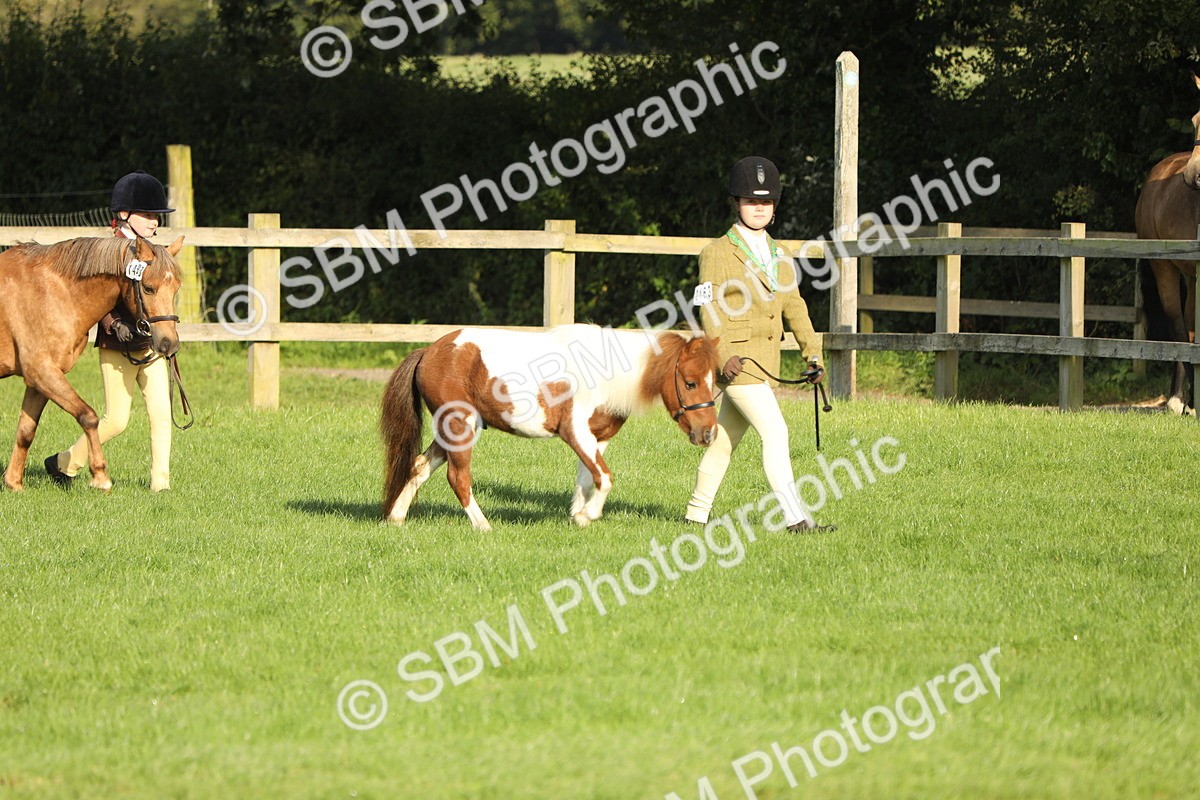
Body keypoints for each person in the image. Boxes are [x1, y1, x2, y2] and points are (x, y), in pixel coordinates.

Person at [684, 156, 836, 533]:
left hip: (765, 363)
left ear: (774, 206)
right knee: (776, 432)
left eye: (765, 203)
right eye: (752, 202)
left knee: (723, 441)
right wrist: (720, 357)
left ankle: (695, 515)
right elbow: (708, 307)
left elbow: (795, 307)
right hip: (737, 364)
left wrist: (812, 353)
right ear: (736, 203)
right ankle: (796, 519)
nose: (759, 208)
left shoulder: (781, 255)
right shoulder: (716, 252)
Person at [45, 170, 176, 492]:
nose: (154, 222)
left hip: (150, 344)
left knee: (161, 413)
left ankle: (161, 485)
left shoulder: (154, 252)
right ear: (123, 215)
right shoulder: (106, 250)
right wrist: (112, 324)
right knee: (117, 420)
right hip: (117, 344)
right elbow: (93, 297)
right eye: (147, 215)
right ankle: (64, 463)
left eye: (156, 215)